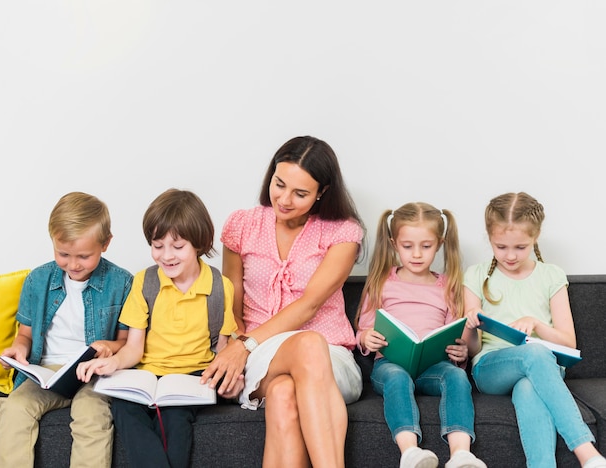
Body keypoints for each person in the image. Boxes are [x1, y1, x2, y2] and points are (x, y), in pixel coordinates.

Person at [199, 136, 366, 467]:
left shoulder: (343, 233)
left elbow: (309, 306)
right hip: (262, 356)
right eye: (279, 184)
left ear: (322, 192)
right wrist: (233, 345)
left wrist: (243, 345)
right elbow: (232, 294)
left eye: (300, 193)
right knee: (287, 375)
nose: (285, 199)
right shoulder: (243, 224)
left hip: (330, 358)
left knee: (286, 387)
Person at [76, 188, 238, 468]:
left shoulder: (220, 287)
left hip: (193, 378)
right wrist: (112, 363)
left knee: (176, 419)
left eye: (178, 247)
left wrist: (227, 382)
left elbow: (222, 351)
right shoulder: (144, 282)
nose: (166, 256)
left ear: (199, 243)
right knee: (124, 410)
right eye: (157, 245)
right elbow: (133, 349)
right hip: (146, 376)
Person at [463, 192, 606, 468]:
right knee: (535, 352)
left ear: (536, 236)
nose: (510, 256)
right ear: (489, 238)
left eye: (520, 247)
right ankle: (586, 452)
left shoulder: (551, 275)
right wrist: (469, 326)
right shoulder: (476, 275)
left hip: (543, 366)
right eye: (501, 247)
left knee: (529, 385)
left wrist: (537, 324)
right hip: (492, 368)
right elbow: (473, 349)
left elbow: (568, 342)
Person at [0, 192, 133, 468]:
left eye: (83, 256)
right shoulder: (38, 280)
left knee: (92, 414)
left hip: (92, 372)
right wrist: (18, 350)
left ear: (105, 244)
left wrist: (108, 347)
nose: (73, 264)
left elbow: (126, 342)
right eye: (63, 254)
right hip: (48, 373)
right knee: (13, 409)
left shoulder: (122, 282)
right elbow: (25, 334)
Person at [355, 203, 486, 468]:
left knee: (457, 376)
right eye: (407, 246)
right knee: (397, 377)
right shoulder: (382, 282)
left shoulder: (447, 286)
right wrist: (367, 337)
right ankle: (410, 452)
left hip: (433, 366)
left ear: (439, 244)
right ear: (394, 243)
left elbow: (456, 336)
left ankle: (461, 454)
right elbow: (363, 329)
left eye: (426, 247)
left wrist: (460, 352)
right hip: (390, 364)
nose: (417, 254)